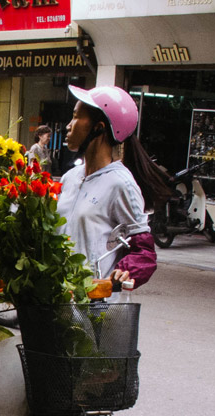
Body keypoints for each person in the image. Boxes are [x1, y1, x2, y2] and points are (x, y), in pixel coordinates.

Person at [57, 85, 172, 289]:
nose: (68, 126)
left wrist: (124, 272)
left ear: (98, 127)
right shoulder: (70, 178)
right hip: (59, 296)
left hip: (94, 301)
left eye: (75, 117)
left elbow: (142, 251)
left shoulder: (120, 184)